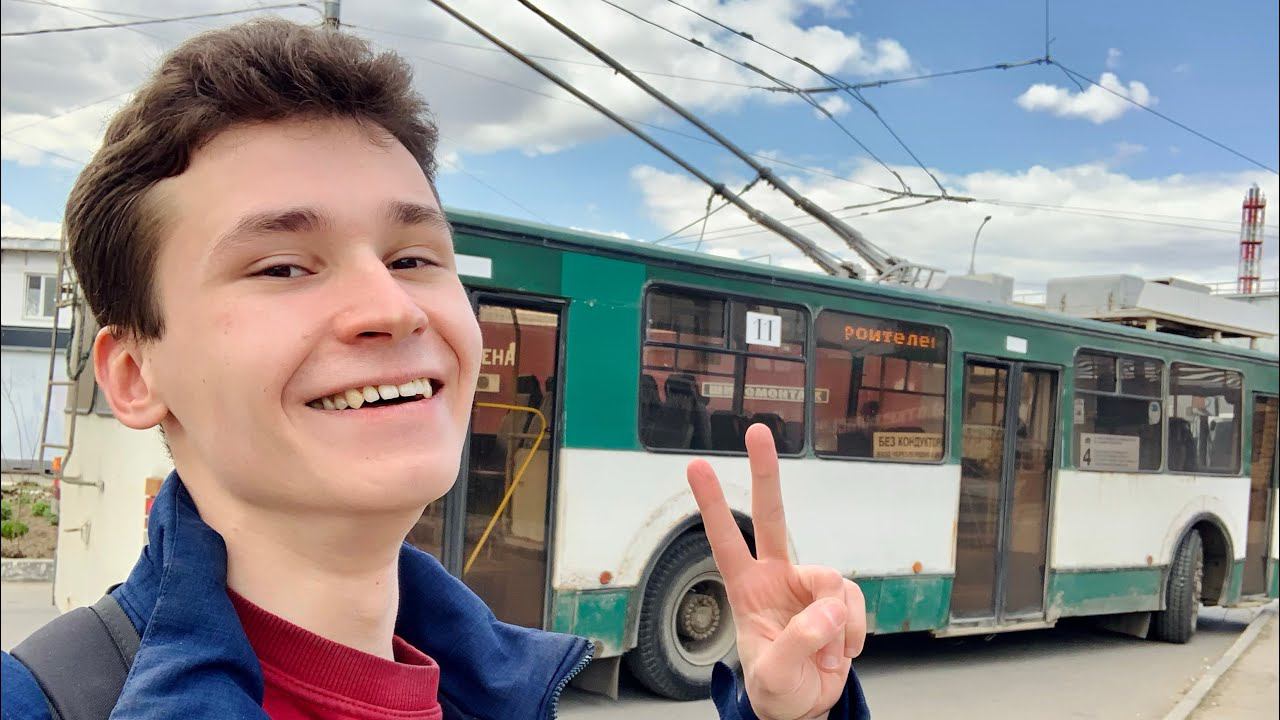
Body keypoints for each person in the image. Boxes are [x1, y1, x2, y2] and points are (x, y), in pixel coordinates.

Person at [1, 19, 868, 720]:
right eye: (284, 266)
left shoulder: (501, 692)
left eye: (414, 258)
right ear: (134, 375)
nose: (393, 307)